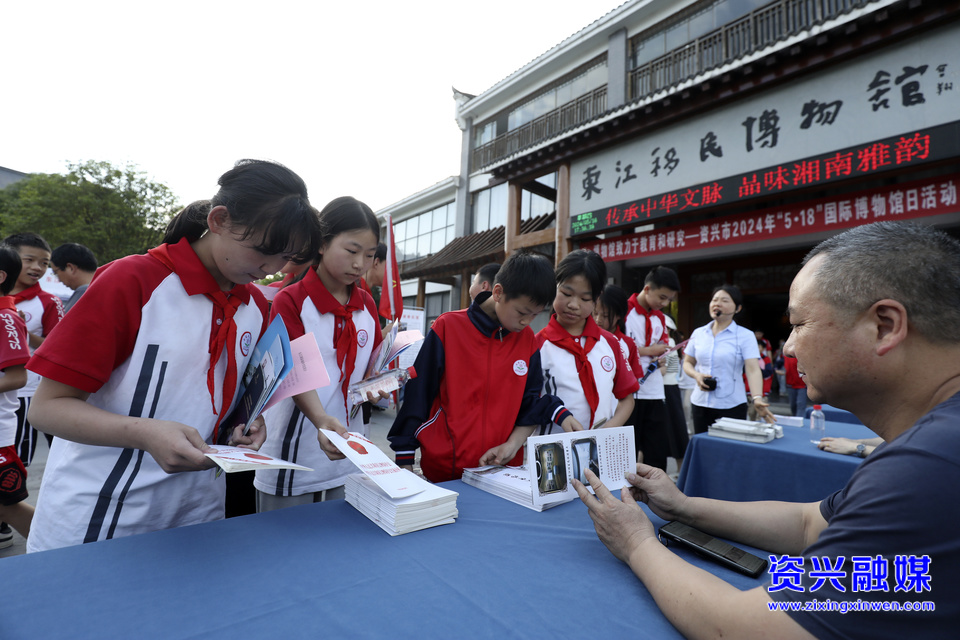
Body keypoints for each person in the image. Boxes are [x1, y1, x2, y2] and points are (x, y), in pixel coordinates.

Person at [574, 221, 960, 638]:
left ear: (884, 325)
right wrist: (682, 506)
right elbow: (808, 525)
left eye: (798, 324)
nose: (788, 347)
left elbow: (738, 628)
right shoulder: (929, 444)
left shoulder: (929, 466)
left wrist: (636, 542)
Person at [23, 159, 323, 552]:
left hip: (195, 518)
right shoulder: (134, 282)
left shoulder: (254, 306)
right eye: (263, 251)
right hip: (100, 518)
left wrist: (249, 423)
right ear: (218, 220)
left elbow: (223, 398)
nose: (271, 269)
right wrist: (145, 433)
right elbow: (47, 408)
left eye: (287, 258)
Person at [388, 250, 582, 482]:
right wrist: (405, 461)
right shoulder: (448, 328)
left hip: (501, 472)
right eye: (521, 312)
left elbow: (529, 402)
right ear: (498, 292)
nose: (526, 322)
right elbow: (418, 394)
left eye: (534, 315)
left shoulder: (527, 340)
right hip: (445, 470)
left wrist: (556, 414)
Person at [254, 197, 384, 508]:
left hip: (348, 449)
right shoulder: (293, 301)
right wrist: (322, 419)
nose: (360, 264)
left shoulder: (366, 304)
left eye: (369, 255)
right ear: (322, 244)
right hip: (294, 450)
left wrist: (377, 386)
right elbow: (292, 372)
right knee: (283, 546)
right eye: (352, 251)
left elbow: (370, 367)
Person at [536, 250, 637, 433]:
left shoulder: (610, 343)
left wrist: (605, 432)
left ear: (596, 299)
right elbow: (528, 401)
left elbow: (627, 399)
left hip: (600, 450)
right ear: (554, 287)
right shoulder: (538, 345)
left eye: (585, 298)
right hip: (554, 453)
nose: (573, 305)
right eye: (566, 293)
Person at [3, 232, 63, 468]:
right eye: (29, 260)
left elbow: (58, 348)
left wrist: (22, 332)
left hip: (28, 393)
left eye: (45, 263)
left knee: (16, 466)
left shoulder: (49, 302)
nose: (37, 267)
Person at [684, 284, 774, 433]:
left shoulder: (745, 335)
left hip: (731, 404)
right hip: (700, 403)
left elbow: (753, 370)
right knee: (704, 448)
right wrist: (696, 375)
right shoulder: (698, 333)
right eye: (714, 300)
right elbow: (688, 362)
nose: (717, 303)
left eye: (725, 301)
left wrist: (757, 397)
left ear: (737, 308)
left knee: (728, 451)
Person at [624, 265, 680, 470]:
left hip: (655, 390)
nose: (664, 303)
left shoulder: (659, 317)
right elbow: (616, 346)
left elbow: (663, 344)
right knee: (627, 451)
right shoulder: (624, 311)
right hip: (628, 391)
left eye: (669, 300)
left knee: (656, 451)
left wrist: (662, 356)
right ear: (647, 289)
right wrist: (649, 351)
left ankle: (655, 497)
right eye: (662, 297)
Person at [0, 246, 32, 549]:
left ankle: (59, 548)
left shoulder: (6, 318)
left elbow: (17, 377)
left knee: (8, 505)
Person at [594, 283, 641, 379]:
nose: (598, 319)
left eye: (605, 316)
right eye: (595, 313)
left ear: (619, 315)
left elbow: (633, 379)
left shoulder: (628, 344)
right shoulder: (584, 337)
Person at [661, 315, 688, 472]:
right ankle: (679, 470)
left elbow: (664, 371)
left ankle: (680, 471)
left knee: (674, 429)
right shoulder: (671, 343)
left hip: (667, 388)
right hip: (671, 388)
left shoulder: (668, 343)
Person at [50, 242, 98, 312]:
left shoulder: (83, 295)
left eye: (56, 273)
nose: (59, 280)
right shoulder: (109, 291)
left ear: (70, 268)